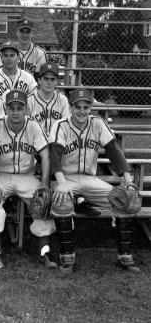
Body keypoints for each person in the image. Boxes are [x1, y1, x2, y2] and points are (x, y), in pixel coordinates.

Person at [49, 88, 140, 273]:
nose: (82, 111)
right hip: (64, 177)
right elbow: (55, 157)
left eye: (86, 107)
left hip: (89, 178)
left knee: (123, 199)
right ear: (71, 107)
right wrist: (61, 183)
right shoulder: (60, 125)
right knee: (62, 202)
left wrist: (127, 179)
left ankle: (125, 256)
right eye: (77, 107)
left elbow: (114, 151)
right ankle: (67, 258)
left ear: (91, 107)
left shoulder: (98, 123)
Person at [0, 90, 57, 270]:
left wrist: (43, 185)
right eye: (12, 108)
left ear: (26, 109)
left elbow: (46, 157)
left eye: (20, 108)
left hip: (26, 175)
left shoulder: (33, 126)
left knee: (43, 203)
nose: (16, 112)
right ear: (6, 109)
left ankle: (44, 252)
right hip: (1, 175)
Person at [27, 62, 70, 136]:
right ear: (39, 80)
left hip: (56, 143)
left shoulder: (63, 100)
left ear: (57, 81)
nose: (49, 82)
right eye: (46, 79)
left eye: (52, 79)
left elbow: (66, 126)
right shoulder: (29, 100)